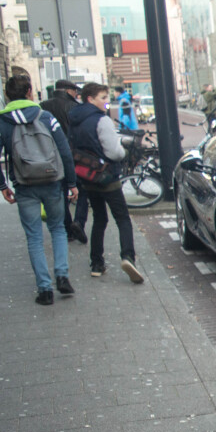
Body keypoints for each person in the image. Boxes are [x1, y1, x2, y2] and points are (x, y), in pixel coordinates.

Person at [0, 74, 80, 305]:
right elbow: (65, 151)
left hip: (24, 184)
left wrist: (2, 186)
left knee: (34, 237)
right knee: (58, 229)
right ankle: (62, 276)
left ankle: (45, 290)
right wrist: (71, 183)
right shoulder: (46, 117)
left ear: (8, 95)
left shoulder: (0, 122)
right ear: (30, 92)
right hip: (52, 182)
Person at [69, 83, 143, 284]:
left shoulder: (74, 119)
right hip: (107, 176)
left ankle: (96, 263)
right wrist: (123, 152)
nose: (106, 102)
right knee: (122, 218)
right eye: (102, 97)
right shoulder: (101, 120)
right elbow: (114, 152)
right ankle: (128, 257)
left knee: (100, 219)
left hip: (86, 176)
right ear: (90, 99)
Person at [42, 80, 88, 243]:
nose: (76, 94)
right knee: (82, 189)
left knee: (61, 191)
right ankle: (79, 223)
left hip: (52, 155)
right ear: (69, 91)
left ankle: (68, 229)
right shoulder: (75, 107)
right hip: (75, 154)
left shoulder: (43, 106)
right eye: (75, 91)